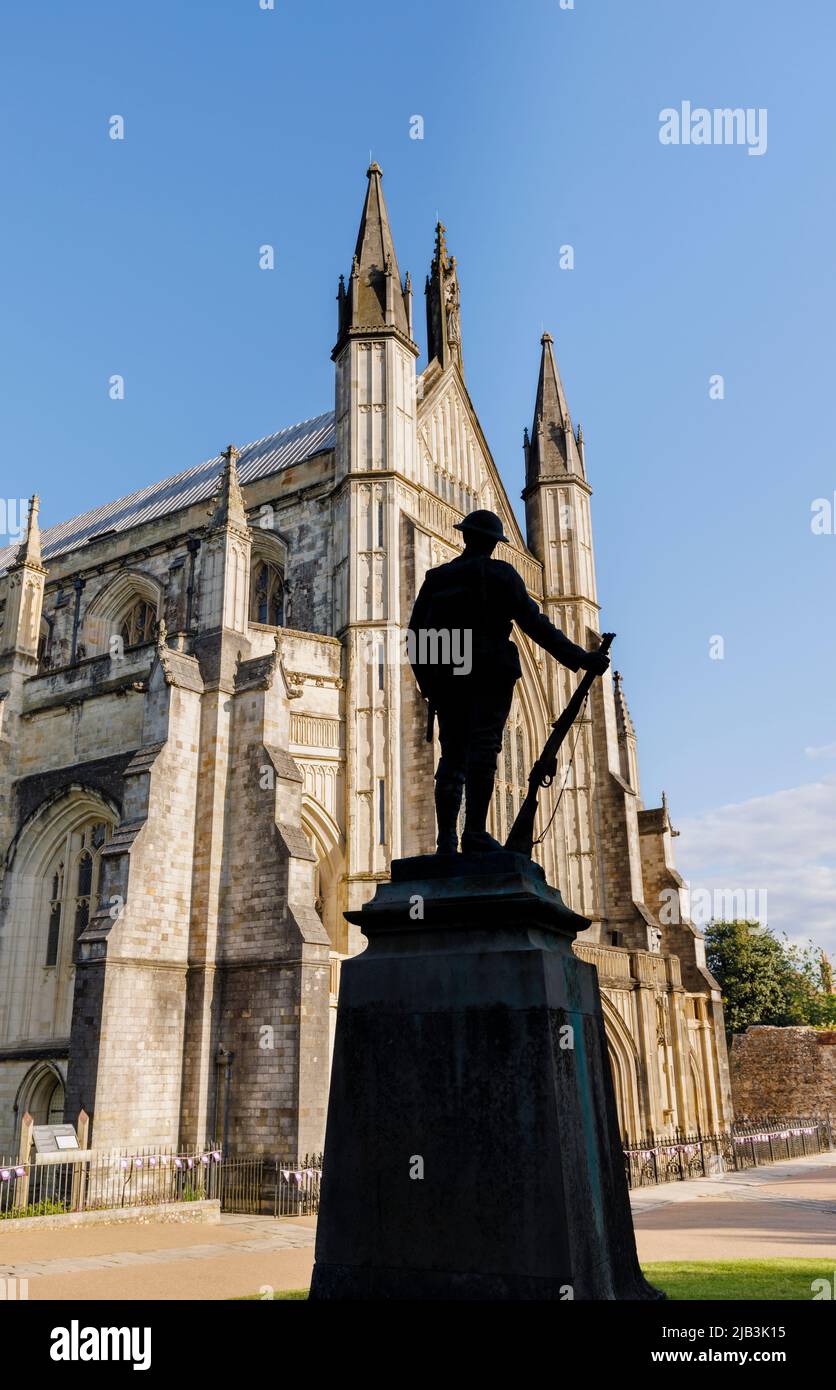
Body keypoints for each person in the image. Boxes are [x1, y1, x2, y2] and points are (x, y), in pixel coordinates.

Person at [408, 510, 610, 854]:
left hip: (449, 678)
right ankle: (472, 833)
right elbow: (537, 626)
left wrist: (431, 685)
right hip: (489, 674)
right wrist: (580, 659)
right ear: (492, 543)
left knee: (452, 757)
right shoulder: (501, 574)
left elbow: (417, 638)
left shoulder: (437, 578)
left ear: (465, 536)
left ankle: (445, 841)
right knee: (484, 751)